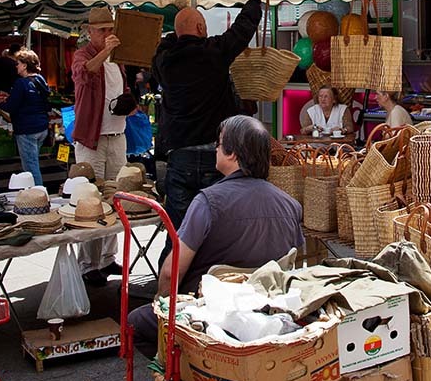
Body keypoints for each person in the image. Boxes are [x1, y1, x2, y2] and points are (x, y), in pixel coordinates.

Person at [128, 115, 303, 358]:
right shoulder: (290, 205)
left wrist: (164, 305)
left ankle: (184, 371)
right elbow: (291, 267)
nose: (216, 150)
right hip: (267, 309)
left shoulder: (208, 202)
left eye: (219, 145)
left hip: (211, 313)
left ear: (232, 154)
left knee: (134, 322)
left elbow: (170, 272)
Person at [151, 0, 265, 238]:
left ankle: (174, 277)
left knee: (179, 233)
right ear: (202, 29)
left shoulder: (164, 62)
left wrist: (179, 33)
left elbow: (163, 44)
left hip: (180, 156)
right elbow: (243, 28)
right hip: (218, 157)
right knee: (218, 231)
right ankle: (211, 277)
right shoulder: (215, 53)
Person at [72, 5, 129, 286]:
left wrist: (131, 105)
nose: (108, 34)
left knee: (115, 198)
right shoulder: (83, 54)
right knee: (89, 201)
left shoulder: (117, 60)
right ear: (91, 32)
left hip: (117, 136)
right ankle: (87, 264)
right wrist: (106, 52)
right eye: (103, 30)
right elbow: (84, 73)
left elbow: (123, 91)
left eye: (111, 29)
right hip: (92, 139)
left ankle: (107, 258)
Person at [0, 48, 50, 185]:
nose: (16, 66)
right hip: (42, 127)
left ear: (24, 65)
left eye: (18, 63)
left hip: (27, 129)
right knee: (33, 161)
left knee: (31, 167)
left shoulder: (21, 83)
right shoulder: (41, 80)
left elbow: (12, 106)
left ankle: (38, 195)